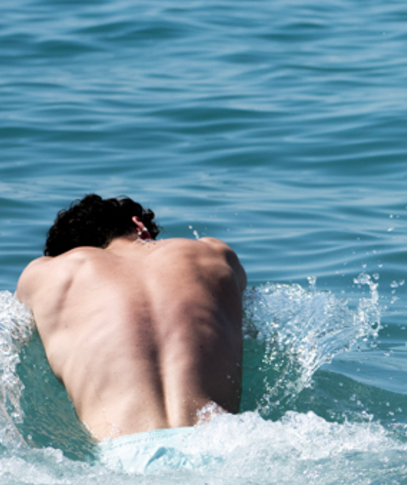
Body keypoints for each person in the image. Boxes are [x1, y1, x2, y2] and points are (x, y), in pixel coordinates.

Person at [16, 194, 247, 469]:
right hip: (230, 444)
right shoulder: (214, 253)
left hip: (128, 458)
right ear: (139, 225)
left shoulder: (45, 274)